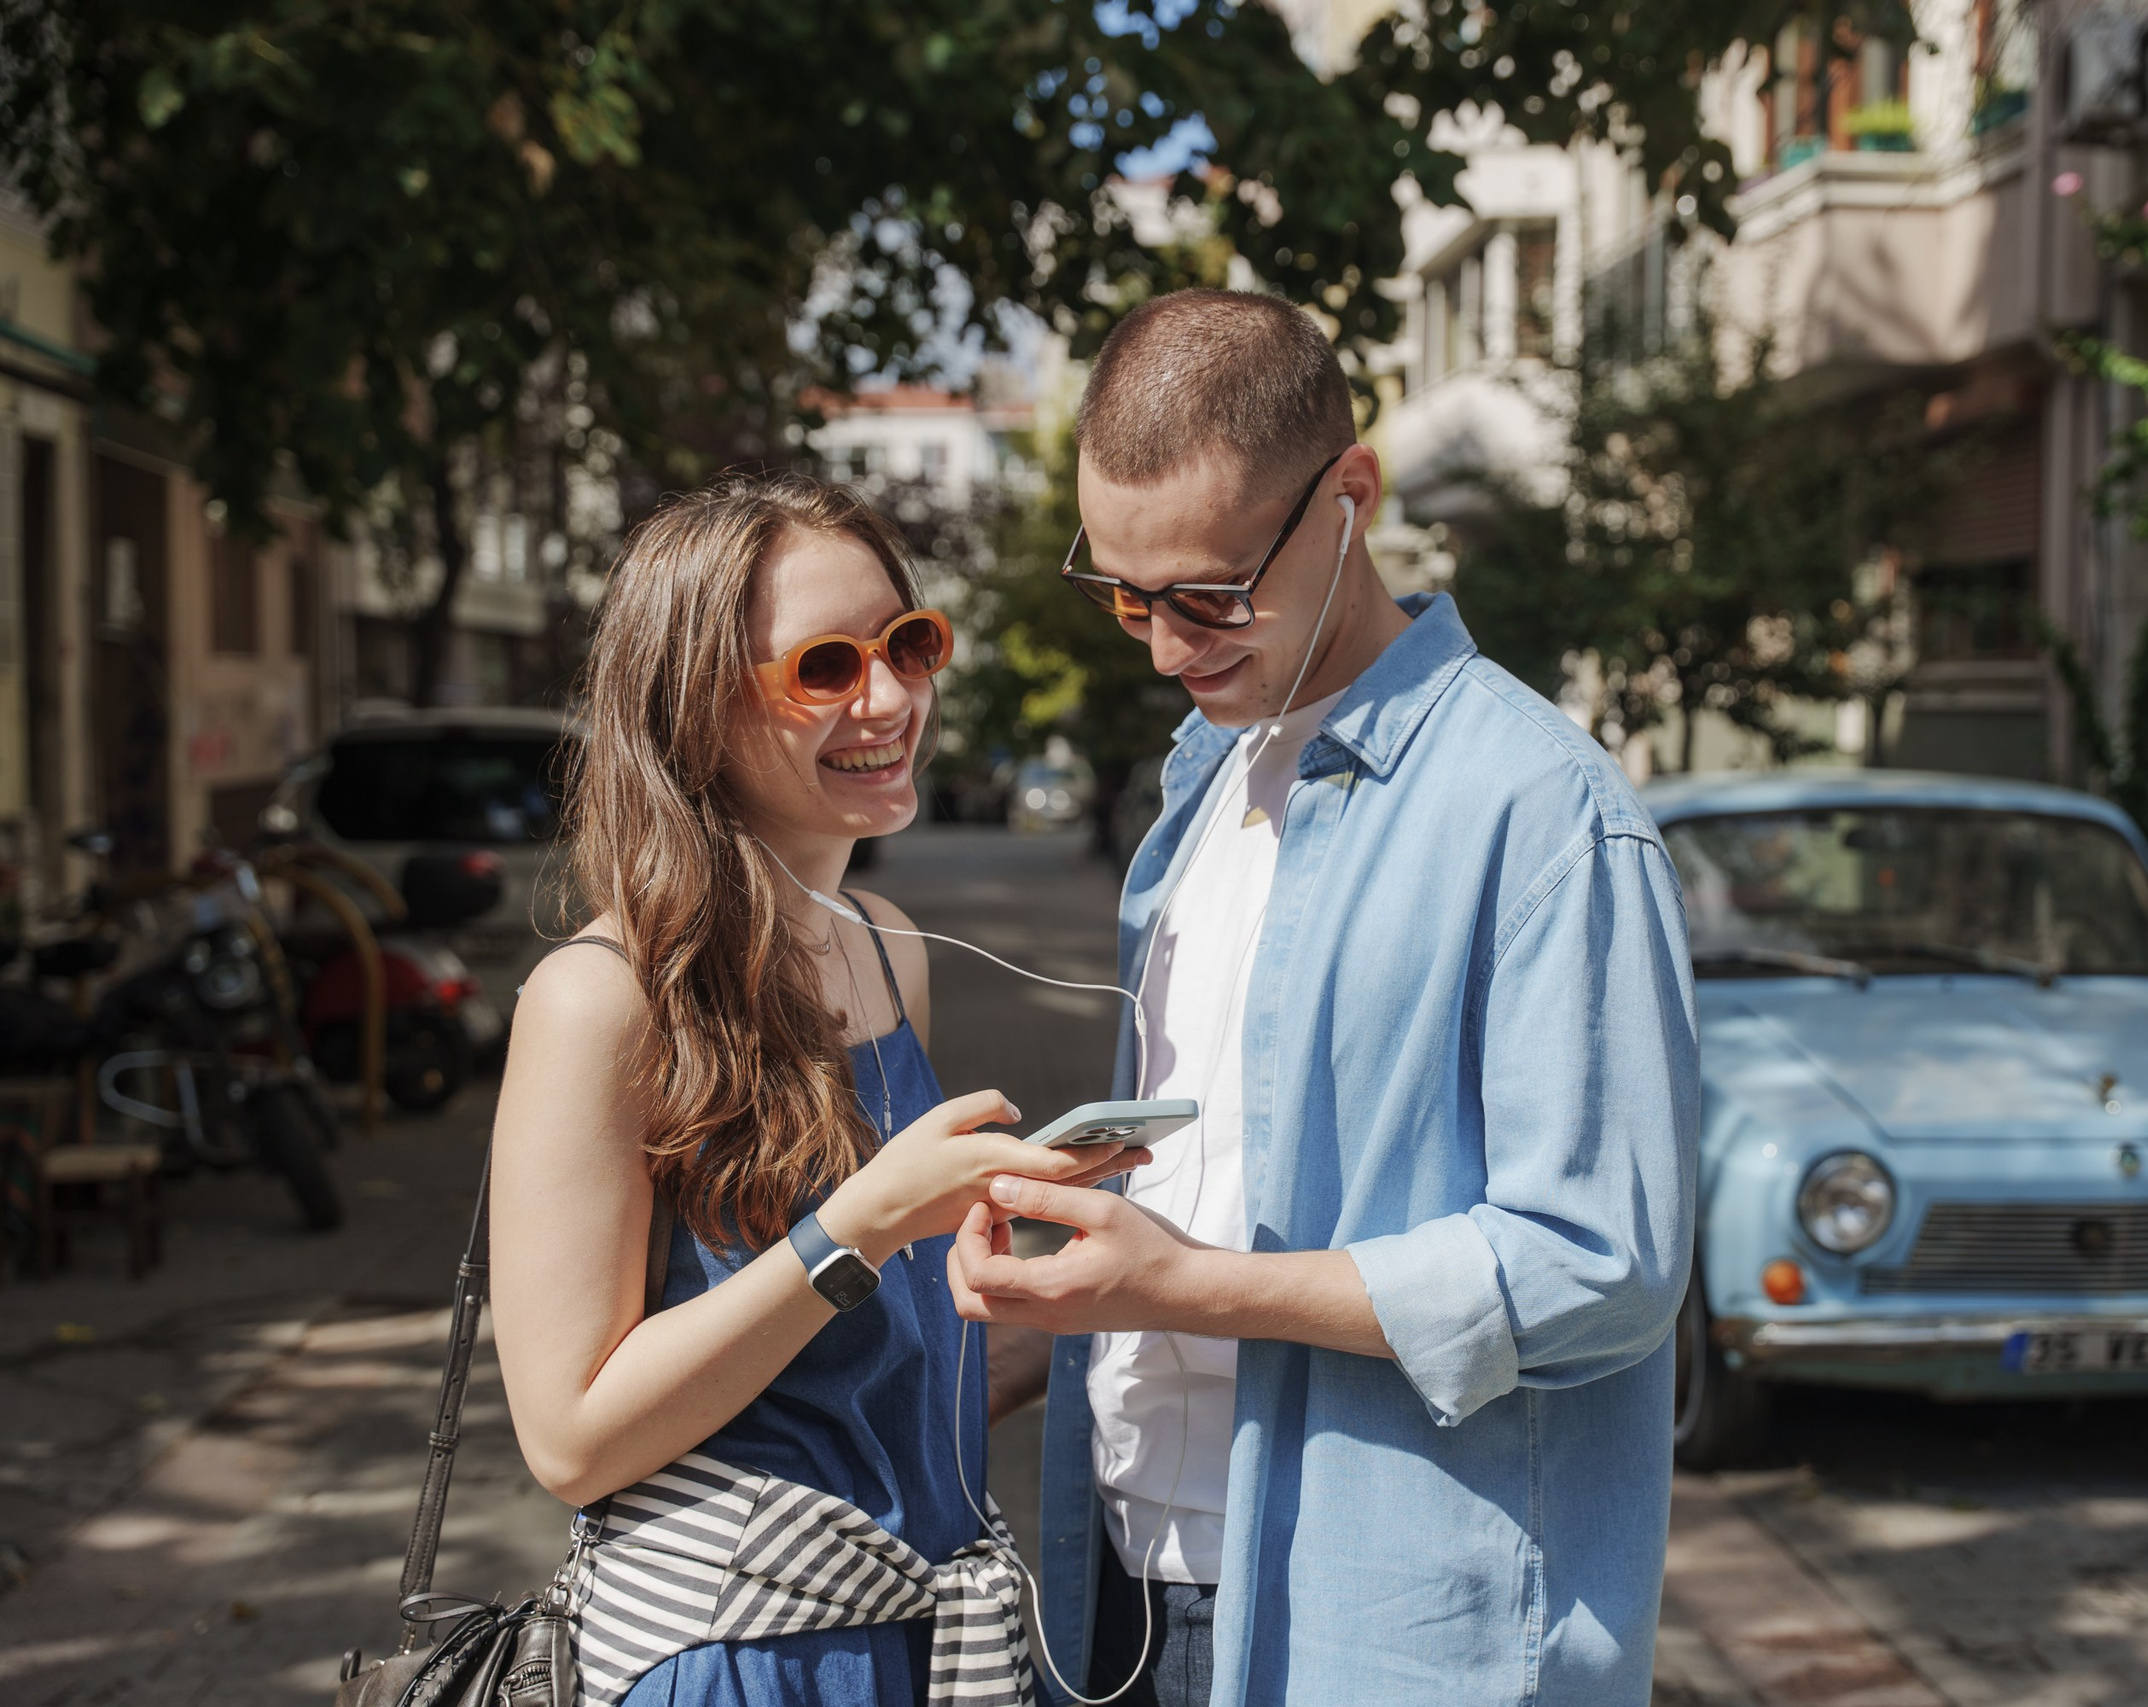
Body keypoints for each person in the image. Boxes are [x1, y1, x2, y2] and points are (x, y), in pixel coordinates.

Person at [949, 291, 1701, 1707]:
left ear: (1351, 496)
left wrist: (1188, 1285)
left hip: (1382, 1621)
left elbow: (1602, 1260)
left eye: (1211, 593)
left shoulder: (1541, 811)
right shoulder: (1199, 779)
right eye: (1124, 594)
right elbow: (1236, 1179)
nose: (1168, 645)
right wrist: (1058, 1312)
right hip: (1122, 1580)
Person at [489, 473, 1142, 1707]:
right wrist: (860, 1224)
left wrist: (1077, 1302)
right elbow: (571, 1440)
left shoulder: (886, 945)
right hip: (736, 1650)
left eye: (907, 644)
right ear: (690, 711)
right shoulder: (600, 1000)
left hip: (930, 1633)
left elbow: (861, 1369)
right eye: (824, 668)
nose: (889, 698)